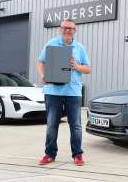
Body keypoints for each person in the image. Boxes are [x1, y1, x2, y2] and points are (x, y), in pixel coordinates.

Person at [37, 19, 91, 166]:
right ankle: (49, 154)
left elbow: (88, 68)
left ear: (75, 30)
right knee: (51, 124)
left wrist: (77, 66)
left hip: (73, 92)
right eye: (65, 27)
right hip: (53, 91)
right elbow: (40, 62)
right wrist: (43, 76)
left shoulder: (80, 48)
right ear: (60, 29)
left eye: (70, 28)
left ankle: (77, 155)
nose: (68, 30)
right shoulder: (51, 44)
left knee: (76, 125)